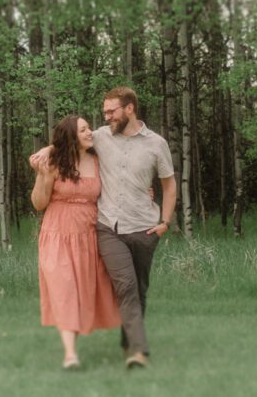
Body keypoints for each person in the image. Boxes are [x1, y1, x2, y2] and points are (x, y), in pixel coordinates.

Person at [31, 87, 177, 369]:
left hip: (126, 229)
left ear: (130, 109)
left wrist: (164, 221)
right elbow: (65, 141)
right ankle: (122, 352)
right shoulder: (97, 139)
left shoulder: (149, 145)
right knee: (113, 287)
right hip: (91, 230)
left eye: (111, 111)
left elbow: (166, 185)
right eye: (104, 112)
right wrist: (45, 152)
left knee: (136, 289)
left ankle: (130, 342)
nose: (105, 117)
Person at [31, 115, 121, 370]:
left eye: (89, 128)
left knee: (82, 292)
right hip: (58, 234)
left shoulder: (98, 160)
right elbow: (38, 203)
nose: (89, 132)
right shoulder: (54, 163)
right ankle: (70, 355)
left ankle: (79, 344)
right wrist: (42, 175)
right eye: (83, 130)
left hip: (90, 235)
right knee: (65, 290)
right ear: (72, 136)